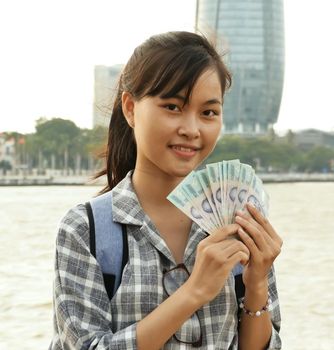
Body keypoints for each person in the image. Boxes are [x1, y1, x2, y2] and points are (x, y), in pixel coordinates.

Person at [49, 31, 283, 349]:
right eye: (172, 107)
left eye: (208, 112)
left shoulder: (237, 222)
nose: (191, 129)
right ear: (131, 109)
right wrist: (193, 292)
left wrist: (256, 282)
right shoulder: (87, 230)